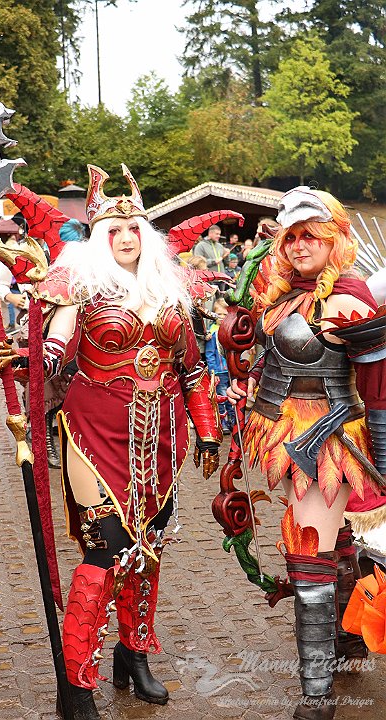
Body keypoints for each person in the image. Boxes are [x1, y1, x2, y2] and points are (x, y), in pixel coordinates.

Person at [0, 164, 222, 720]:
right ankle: (76, 684)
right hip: (95, 431)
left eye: (135, 228)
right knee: (104, 549)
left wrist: (208, 432)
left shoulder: (170, 290)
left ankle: (133, 655)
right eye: (114, 230)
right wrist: (23, 360)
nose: (126, 237)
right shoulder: (80, 286)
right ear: (99, 237)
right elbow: (55, 350)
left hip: (161, 439)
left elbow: (191, 370)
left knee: (148, 548)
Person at [226, 187, 385, 720]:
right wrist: (249, 383)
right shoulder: (283, 295)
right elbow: (276, 360)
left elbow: (379, 388)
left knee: (308, 554)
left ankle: (317, 698)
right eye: (291, 236)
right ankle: (348, 640)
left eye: (310, 236)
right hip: (283, 432)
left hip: (330, 441)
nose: (298, 245)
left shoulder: (347, 298)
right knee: (334, 542)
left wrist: (385, 465)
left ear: (334, 239)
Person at [205, 297, 235, 434]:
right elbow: (210, 353)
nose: (222, 317)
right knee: (221, 397)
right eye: (219, 314)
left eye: (225, 314)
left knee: (232, 397)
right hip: (219, 371)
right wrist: (213, 371)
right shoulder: (212, 332)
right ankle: (222, 421)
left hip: (231, 369)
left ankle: (233, 421)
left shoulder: (230, 329)